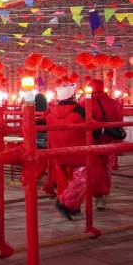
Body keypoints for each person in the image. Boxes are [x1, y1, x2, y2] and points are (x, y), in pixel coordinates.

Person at [44, 84, 87, 220]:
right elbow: (94, 130)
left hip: (58, 152)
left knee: (63, 181)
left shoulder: (50, 112)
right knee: (82, 179)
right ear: (73, 95)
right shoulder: (80, 110)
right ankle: (65, 203)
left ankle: (71, 206)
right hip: (78, 153)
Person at [80, 79, 123, 210]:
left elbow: (80, 121)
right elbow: (119, 122)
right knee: (106, 167)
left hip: (92, 140)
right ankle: (105, 191)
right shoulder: (114, 103)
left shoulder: (84, 103)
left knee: (95, 168)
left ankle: (99, 196)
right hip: (109, 139)